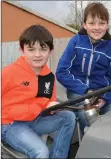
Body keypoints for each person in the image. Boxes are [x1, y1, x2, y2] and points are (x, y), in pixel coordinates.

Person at [1, 24, 76, 158]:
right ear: (22, 50)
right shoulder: (9, 72)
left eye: (43, 49)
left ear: (50, 51)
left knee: (69, 117)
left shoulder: (49, 77)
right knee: (41, 152)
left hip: (36, 120)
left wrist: (52, 107)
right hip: (12, 125)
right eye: (31, 49)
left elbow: (49, 103)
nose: (37, 55)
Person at [56, 2, 111, 134]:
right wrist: (85, 90)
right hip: (78, 91)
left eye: (101, 23)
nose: (97, 28)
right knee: (87, 117)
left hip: (103, 93)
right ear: (84, 25)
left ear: (107, 25)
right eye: (92, 23)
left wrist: (105, 99)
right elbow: (61, 72)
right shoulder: (76, 42)